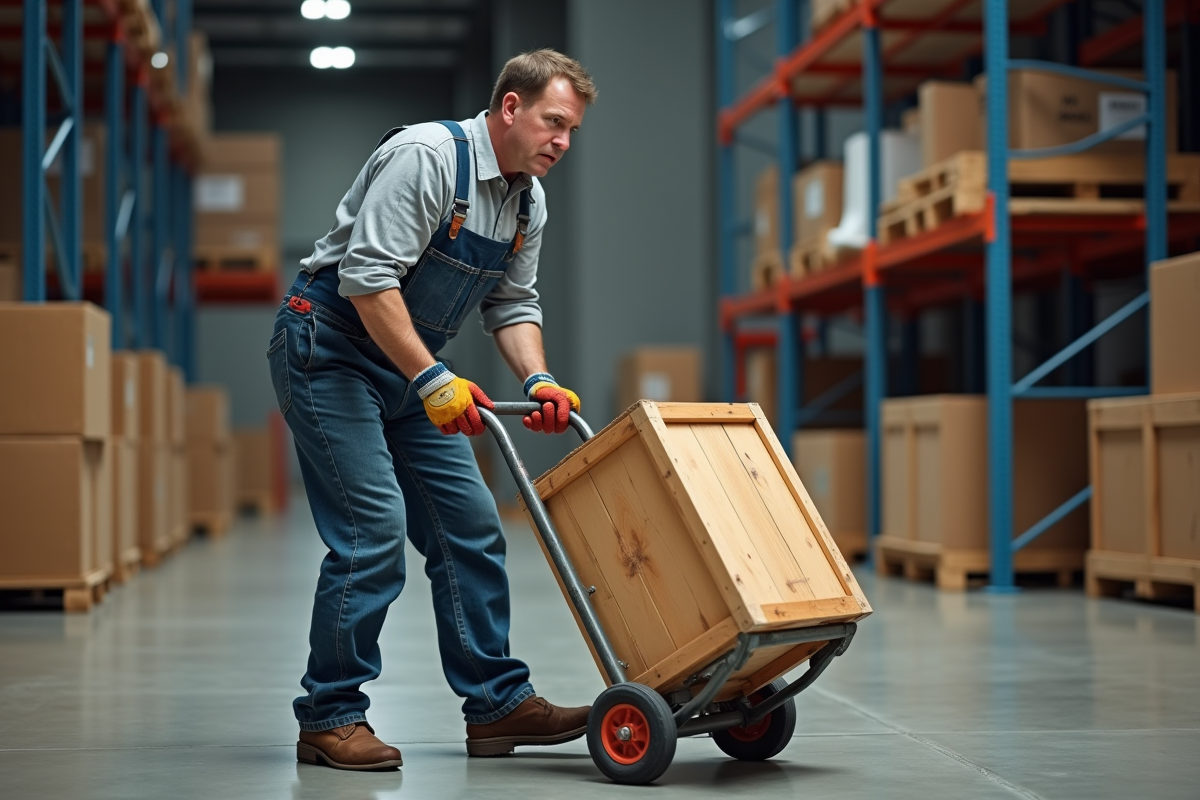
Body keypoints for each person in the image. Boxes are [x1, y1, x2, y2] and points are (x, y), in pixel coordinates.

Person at [267, 49, 598, 771]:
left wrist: (539, 378)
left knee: (472, 528)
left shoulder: (526, 200)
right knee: (372, 530)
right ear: (510, 108)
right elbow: (365, 278)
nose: (562, 143)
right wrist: (431, 377)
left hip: (412, 370)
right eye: (553, 123)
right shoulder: (425, 157)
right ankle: (330, 715)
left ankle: (496, 705)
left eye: (571, 131)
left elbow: (512, 302)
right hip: (330, 349)